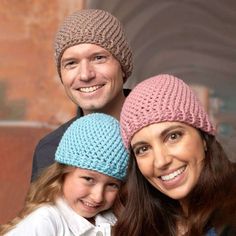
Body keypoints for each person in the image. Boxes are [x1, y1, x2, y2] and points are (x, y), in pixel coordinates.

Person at [115, 74, 236, 236]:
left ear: (204, 137)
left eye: (173, 136)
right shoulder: (138, 225)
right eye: (143, 149)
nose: (160, 161)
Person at [31, 9, 133, 181]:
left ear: (122, 67)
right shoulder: (50, 150)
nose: (85, 75)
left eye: (98, 58)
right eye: (71, 63)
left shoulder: (158, 132)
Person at [0, 113, 129, 235]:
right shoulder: (45, 221)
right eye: (88, 179)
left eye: (112, 185)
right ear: (62, 173)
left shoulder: (112, 220)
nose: (98, 197)